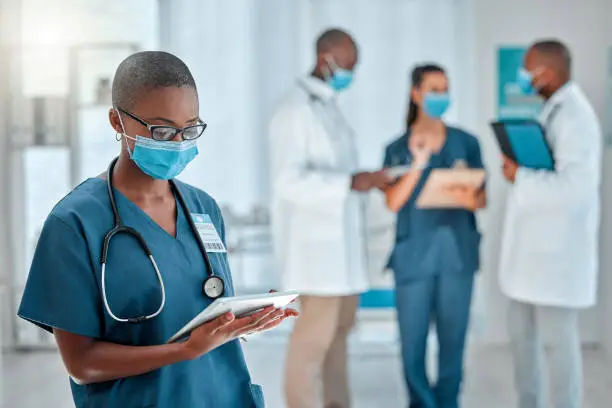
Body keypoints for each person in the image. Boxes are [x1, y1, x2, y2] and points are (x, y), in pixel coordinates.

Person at [17, 51, 297, 408]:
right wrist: (184, 350)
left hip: (222, 396)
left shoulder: (203, 209)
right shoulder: (74, 224)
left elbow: (199, 310)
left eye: (190, 128)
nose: (179, 142)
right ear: (117, 122)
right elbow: (82, 363)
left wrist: (242, 321)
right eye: (162, 129)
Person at [268, 28, 392, 408]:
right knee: (311, 345)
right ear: (326, 60)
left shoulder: (326, 105)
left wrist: (362, 181)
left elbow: (341, 175)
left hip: (341, 256)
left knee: (339, 338)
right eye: (348, 66)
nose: (351, 74)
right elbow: (288, 182)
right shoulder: (295, 110)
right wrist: (351, 183)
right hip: (316, 256)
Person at [500, 40, 602, 408]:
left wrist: (520, 176)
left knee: (559, 349)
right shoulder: (553, 111)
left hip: (557, 263)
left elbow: (575, 190)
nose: (524, 78)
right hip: (532, 259)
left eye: (529, 70)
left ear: (549, 72)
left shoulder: (577, 118)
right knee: (522, 341)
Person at [383, 64, 486, 408]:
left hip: (457, 257)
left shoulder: (467, 142)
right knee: (412, 345)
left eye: (445, 89)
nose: (441, 96)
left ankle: (447, 403)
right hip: (413, 259)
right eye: (433, 89)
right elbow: (393, 201)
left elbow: (481, 199)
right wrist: (419, 163)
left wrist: (463, 190)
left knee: (453, 343)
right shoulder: (397, 147)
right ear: (416, 94)